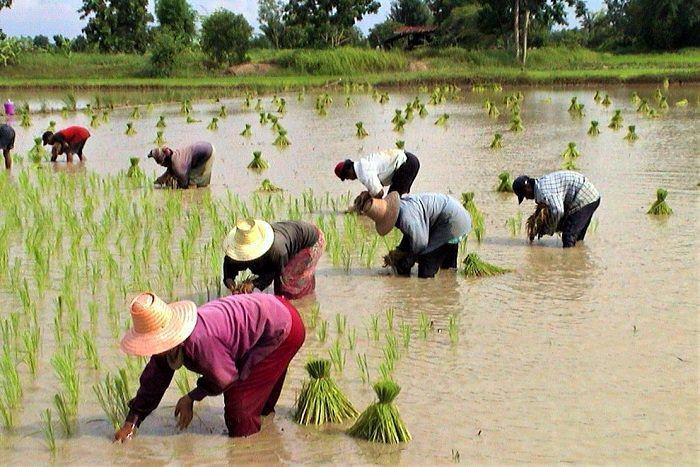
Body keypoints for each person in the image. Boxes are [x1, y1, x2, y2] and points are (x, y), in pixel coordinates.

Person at [114, 291, 305, 441]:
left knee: (239, 405)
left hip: (282, 329)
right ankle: (268, 429)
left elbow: (225, 379)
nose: (151, 350)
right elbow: (154, 380)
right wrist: (132, 422)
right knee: (256, 397)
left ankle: (250, 451)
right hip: (277, 312)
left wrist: (192, 397)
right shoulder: (167, 347)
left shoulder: (199, 341)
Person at [358, 191, 471, 278]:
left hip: (451, 222)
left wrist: (406, 262)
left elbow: (421, 244)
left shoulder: (407, 219)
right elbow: (411, 236)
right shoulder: (403, 205)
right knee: (448, 271)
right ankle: (450, 287)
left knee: (425, 270)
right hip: (455, 215)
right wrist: (400, 251)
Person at [223, 219, 325, 299]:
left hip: (310, 242)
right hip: (290, 239)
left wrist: (254, 284)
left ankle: (305, 307)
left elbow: (274, 272)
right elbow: (229, 263)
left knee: (290, 287)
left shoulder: (277, 250)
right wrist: (229, 279)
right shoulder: (238, 252)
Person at [512, 170, 601, 248]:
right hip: (591, 196)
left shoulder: (543, 192)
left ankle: (568, 263)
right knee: (577, 237)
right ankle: (578, 259)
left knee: (568, 235)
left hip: (584, 198)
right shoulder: (541, 184)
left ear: (527, 188)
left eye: (525, 195)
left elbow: (558, 210)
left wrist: (549, 229)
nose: (527, 198)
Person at [334, 149, 420, 198]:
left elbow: (379, 193)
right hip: (409, 160)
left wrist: (367, 205)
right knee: (396, 199)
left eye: (346, 177)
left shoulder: (363, 172)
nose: (349, 179)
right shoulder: (362, 164)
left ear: (348, 171)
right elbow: (377, 187)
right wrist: (369, 194)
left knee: (393, 201)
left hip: (406, 164)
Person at [148, 142, 215, 189]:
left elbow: (184, 184)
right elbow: (167, 174)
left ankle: (201, 197)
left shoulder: (177, 166)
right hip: (205, 147)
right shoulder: (174, 156)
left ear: (164, 161)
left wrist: (176, 189)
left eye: (161, 164)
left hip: (207, 153)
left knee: (194, 182)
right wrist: (157, 183)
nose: (162, 166)